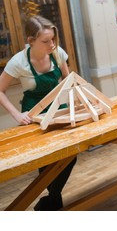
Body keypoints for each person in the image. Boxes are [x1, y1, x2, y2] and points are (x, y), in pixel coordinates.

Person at [0, 15, 76, 210]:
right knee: (46, 159)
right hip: (33, 115)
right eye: (45, 41)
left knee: (71, 154)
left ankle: (52, 198)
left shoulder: (57, 52)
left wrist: (76, 99)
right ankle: (53, 199)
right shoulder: (18, 62)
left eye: (53, 39)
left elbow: (68, 79)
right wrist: (17, 115)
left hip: (57, 109)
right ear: (31, 41)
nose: (51, 44)